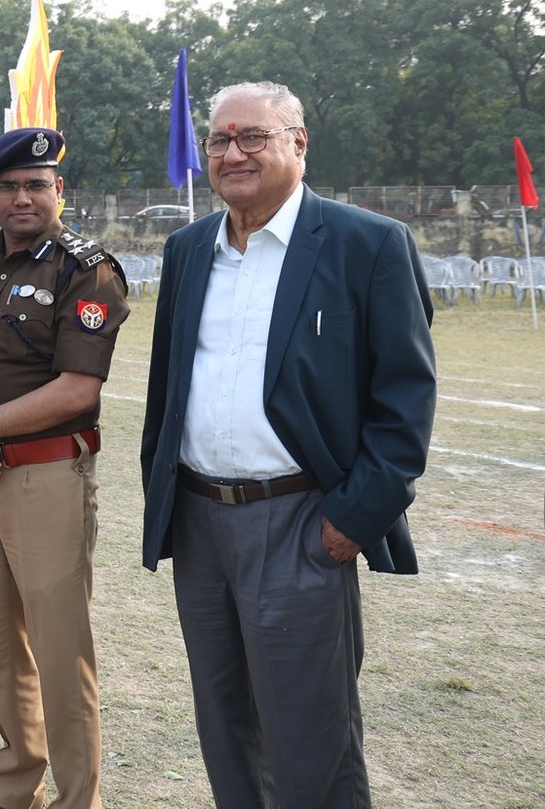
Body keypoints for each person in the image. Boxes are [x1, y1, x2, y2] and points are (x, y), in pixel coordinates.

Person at [140, 81, 436, 807]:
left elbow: (405, 400)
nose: (233, 152)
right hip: (201, 522)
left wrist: (350, 521)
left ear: (298, 143)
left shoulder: (367, 244)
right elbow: (167, 384)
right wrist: (165, 498)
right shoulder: (188, 249)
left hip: (303, 521)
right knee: (225, 726)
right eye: (219, 139)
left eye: (254, 136)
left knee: (309, 740)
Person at [0, 128, 129, 809]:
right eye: (10, 186)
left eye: (37, 185)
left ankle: (78, 801)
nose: (24, 197)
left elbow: (77, 388)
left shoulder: (87, 271)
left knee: (61, 657)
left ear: (59, 191)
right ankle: (15, 794)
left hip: (48, 482)